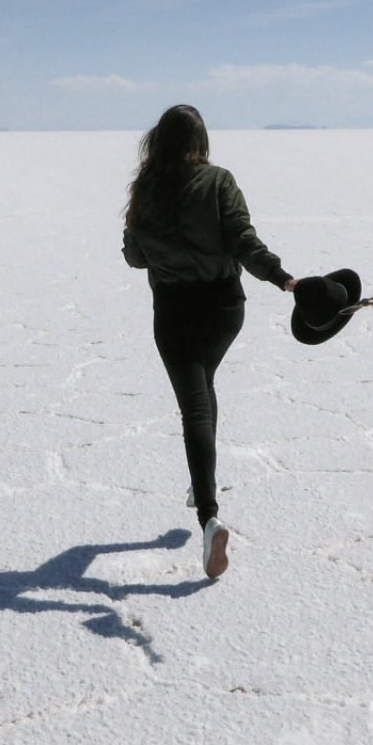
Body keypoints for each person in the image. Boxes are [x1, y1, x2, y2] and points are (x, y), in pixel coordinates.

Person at [122, 104, 294, 579]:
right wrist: (283, 279)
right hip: (224, 311)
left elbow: (135, 257)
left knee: (194, 406)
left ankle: (208, 515)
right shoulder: (218, 180)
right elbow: (243, 240)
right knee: (205, 387)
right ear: (201, 140)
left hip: (174, 311)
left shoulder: (146, 190)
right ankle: (203, 490)